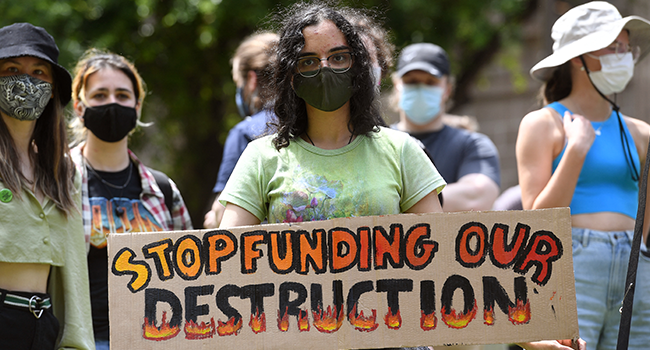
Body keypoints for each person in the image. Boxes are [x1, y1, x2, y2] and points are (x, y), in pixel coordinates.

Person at [218, 1, 445, 228]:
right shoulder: (261, 157)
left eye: (338, 58)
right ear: (291, 76)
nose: (325, 69)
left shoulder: (401, 151)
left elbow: (438, 244)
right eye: (308, 61)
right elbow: (227, 252)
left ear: (357, 67)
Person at [516, 1, 650, 349]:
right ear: (578, 58)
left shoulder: (641, 134)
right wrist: (575, 151)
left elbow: (646, 214)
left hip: (637, 270)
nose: (623, 55)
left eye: (625, 47)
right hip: (570, 266)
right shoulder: (542, 124)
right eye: (612, 47)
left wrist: (636, 253)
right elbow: (537, 221)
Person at [69, 48, 193, 349]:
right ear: (79, 107)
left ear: (137, 107)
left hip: (158, 340)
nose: (112, 103)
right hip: (84, 341)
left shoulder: (163, 190)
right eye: (99, 95)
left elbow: (191, 270)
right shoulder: (56, 181)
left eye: (122, 95)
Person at [0, 23, 94, 349]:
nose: (26, 80)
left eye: (39, 72)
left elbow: (73, 273)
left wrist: (77, 343)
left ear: (53, 89)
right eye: (12, 69)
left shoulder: (63, 171)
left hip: (42, 325)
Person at [391, 43, 501, 212]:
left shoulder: (473, 145)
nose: (420, 88)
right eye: (411, 81)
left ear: (447, 89)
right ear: (397, 85)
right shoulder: (378, 142)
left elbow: (477, 197)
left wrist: (395, 203)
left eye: (430, 82)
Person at [203, 32, 279, 229]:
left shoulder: (245, 132)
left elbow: (224, 208)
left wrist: (214, 217)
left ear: (251, 80)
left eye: (238, 83)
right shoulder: (311, 123)